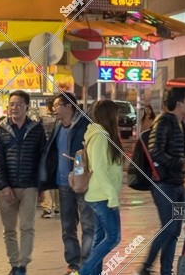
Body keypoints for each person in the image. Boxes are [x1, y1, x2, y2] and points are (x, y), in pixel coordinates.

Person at [0, 90, 48, 275]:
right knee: (9, 230)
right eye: (12, 104)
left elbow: (42, 158)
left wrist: (41, 185)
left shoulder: (37, 130)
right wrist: (3, 185)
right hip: (7, 188)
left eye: (19, 104)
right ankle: (14, 263)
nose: (14, 108)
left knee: (27, 226)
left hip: (29, 186)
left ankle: (22, 264)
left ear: (27, 107)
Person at [38, 91, 94, 274]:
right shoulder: (57, 126)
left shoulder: (85, 125)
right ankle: (73, 264)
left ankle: (86, 265)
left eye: (57, 106)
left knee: (88, 226)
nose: (54, 110)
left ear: (69, 106)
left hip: (83, 183)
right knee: (67, 226)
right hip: (63, 183)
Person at [141, 86, 185, 275]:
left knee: (175, 230)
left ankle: (166, 271)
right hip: (163, 185)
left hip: (178, 185)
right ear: (179, 103)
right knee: (169, 226)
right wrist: (178, 164)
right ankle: (145, 267)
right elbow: (155, 152)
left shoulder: (183, 124)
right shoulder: (163, 121)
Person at [78, 101, 125, 275]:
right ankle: (84, 271)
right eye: (116, 115)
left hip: (101, 194)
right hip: (102, 196)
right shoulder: (99, 136)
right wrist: (112, 196)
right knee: (113, 237)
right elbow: (99, 168)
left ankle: (92, 273)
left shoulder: (102, 135)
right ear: (109, 116)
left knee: (100, 238)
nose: (118, 119)